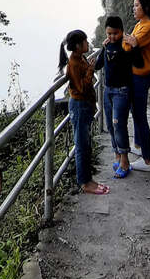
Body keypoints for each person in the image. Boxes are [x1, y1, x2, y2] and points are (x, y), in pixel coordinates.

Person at [58, 29, 110, 195]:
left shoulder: (79, 58)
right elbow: (81, 87)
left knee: (85, 144)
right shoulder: (73, 63)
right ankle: (85, 183)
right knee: (81, 145)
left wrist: (90, 66)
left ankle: (88, 179)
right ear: (78, 46)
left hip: (84, 106)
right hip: (79, 106)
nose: (88, 44)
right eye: (86, 42)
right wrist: (90, 69)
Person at [94, 15, 143, 178]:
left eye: (115, 33)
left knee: (118, 124)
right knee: (110, 125)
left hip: (122, 91)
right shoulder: (108, 45)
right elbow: (98, 65)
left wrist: (135, 46)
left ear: (121, 31)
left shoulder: (126, 45)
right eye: (109, 34)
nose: (112, 37)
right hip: (108, 90)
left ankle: (125, 161)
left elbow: (139, 64)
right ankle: (117, 156)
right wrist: (103, 48)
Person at [123, 0, 150, 171]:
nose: (133, 8)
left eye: (136, 5)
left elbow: (130, 44)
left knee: (140, 116)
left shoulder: (147, 27)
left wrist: (125, 38)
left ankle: (147, 161)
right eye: (133, 5)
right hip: (135, 75)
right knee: (135, 112)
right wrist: (125, 39)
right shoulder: (140, 24)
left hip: (141, 76)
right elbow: (128, 44)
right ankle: (138, 145)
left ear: (145, 8)